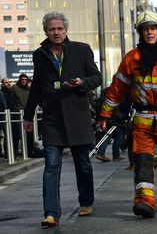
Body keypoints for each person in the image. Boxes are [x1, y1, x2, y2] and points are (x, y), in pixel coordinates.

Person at [99, 10, 157, 218]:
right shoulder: (132, 58)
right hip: (143, 119)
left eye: (153, 28)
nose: (150, 32)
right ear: (140, 32)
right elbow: (117, 88)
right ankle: (144, 201)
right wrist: (105, 114)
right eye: (145, 29)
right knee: (143, 160)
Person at [23, 11, 102, 227]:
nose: (56, 32)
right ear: (46, 31)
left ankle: (86, 201)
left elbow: (97, 77)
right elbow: (37, 86)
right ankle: (51, 213)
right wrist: (28, 116)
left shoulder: (82, 49)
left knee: (83, 164)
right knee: (51, 166)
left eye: (59, 29)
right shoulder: (39, 55)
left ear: (66, 30)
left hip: (77, 115)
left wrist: (81, 83)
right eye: (51, 29)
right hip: (52, 119)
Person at [1, 77, 20, 154]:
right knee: (8, 136)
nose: (9, 84)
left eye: (9, 82)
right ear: (2, 84)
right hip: (7, 116)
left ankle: (15, 150)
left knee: (16, 135)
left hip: (14, 116)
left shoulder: (12, 92)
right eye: (6, 82)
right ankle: (8, 153)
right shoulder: (2, 93)